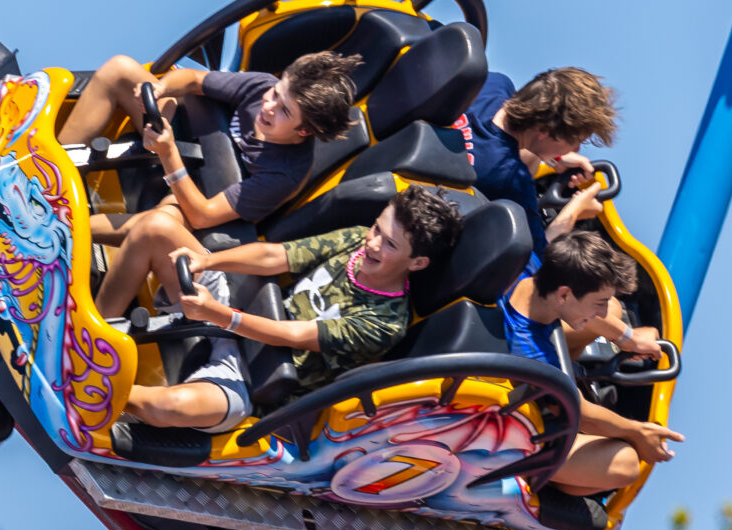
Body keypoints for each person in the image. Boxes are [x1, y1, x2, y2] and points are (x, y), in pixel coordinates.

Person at [119, 186, 463, 433]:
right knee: (157, 229)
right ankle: (95, 326)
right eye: (377, 229)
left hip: (255, 376)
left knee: (168, 407)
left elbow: (294, 335)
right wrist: (207, 260)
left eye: (389, 244)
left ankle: (90, 389)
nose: (372, 242)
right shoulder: (357, 241)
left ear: (417, 263)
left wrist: (219, 316)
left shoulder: (385, 322)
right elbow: (275, 256)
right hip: (237, 312)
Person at [59, 51, 363, 318]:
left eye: (285, 111)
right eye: (276, 93)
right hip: (181, 140)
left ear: (304, 131)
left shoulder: (285, 174)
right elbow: (192, 80)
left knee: (159, 222)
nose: (268, 106)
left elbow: (202, 214)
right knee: (120, 68)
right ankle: (48, 178)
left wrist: (168, 154)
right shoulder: (261, 87)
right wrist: (160, 87)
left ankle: (63, 226)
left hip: (194, 198)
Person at [499, 230, 684, 530]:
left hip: (541, 363)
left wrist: (628, 338)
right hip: (513, 432)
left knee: (612, 312)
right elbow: (580, 412)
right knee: (626, 463)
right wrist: (638, 432)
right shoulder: (532, 355)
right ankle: (544, 488)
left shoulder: (532, 268)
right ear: (564, 295)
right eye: (597, 301)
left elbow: (596, 313)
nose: (603, 309)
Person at [456, 67, 618, 254]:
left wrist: (554, 157)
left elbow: (504, 136)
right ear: (545, 131)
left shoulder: (493, 83)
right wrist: (574, 211)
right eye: (575, 141)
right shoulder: (512, 181)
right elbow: (539, 257)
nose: (576, 150)